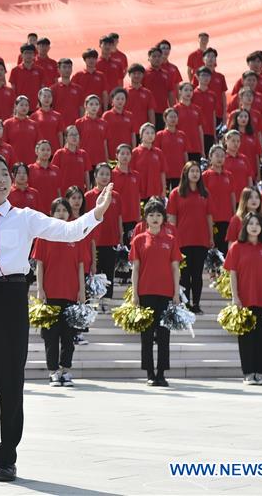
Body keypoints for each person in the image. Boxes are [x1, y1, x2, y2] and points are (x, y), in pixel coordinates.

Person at [0, 153, 113, 482]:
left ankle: (7, 457)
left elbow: (70, 232)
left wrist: (96, 214)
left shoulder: (25, 217)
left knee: (10, 380)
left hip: (12, 296)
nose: (1, 179)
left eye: (5, 173)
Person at [35, 197, 88, 387]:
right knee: (50, 336)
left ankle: (66, 370)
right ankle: (53, 372)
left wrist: (82, 291)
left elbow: (81, 266)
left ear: (69, 213)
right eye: (57, 210)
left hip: (71, 293)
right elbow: (39, 264)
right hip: (50, 292)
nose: (61, 213)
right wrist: (40, 289)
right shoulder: (44, 235)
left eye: (64, 210)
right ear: (52, 213)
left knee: (68, 336)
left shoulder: (76, 235)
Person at [128, 198, 181, 388]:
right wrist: (135, 294)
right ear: (146, 218)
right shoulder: (139, 239)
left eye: (159, 215)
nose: (155, 218)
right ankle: (150, 373)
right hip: (146, 292)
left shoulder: (171, 240)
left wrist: (176, 292)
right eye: (151, 215)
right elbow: (135, 268)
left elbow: (176, 267)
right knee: (147, 336)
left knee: (164, 336)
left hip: (166, 292)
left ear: (164, 218)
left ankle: (161, 373)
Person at [224, 212, 262, 386]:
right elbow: (232, 274)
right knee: (247, 337)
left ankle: (259, 373)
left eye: (257, 224)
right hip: (245, 298)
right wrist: (235, 296)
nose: (254, 226)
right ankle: (248, 373)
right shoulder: (236, 247)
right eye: (251, 224)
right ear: (245, 227)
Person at [167, 161, 213, 314]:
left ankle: (196, 304)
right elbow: (172, 218)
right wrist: (173, 240)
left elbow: (208, 217)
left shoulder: (204, 193)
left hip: (201, 240)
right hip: (182, 241)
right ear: (185, 173)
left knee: (197, 275)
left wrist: (211, 237)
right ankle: (184, 304)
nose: (195, 174)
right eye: (192, 171)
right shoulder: (176, 193)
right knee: (184, 275)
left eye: (197, 171)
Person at [85, 164, 122, 303]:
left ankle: (107, 300)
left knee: (108, 270)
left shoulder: (116, 196)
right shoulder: (88, 196)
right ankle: (94, 299)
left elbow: (119, 217)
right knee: (95, 271)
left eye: (107, 174)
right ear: (95, 176)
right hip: (94, 240)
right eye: (102, 174)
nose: (105, 177)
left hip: (111, 239)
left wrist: (120, 236)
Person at [202, 145, 235, 255]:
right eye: (217, 155)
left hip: (226, 217)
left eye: (222, 156)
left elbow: (232, 195)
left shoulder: (229, 175)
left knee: (224, 249)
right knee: (213, 249)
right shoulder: (205, 176)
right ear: (210, 157)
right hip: (212, 218)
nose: (220, 158)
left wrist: (234, 213)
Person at [132, 123, 165, 200]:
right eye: (147, 133)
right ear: (141, 135)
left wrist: (163, 189)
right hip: (140, 190)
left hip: (155, 190)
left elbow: (162, 172)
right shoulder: (135, 152)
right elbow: (131, 172)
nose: (150, 135)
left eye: (152, 133)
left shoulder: (158, 152)